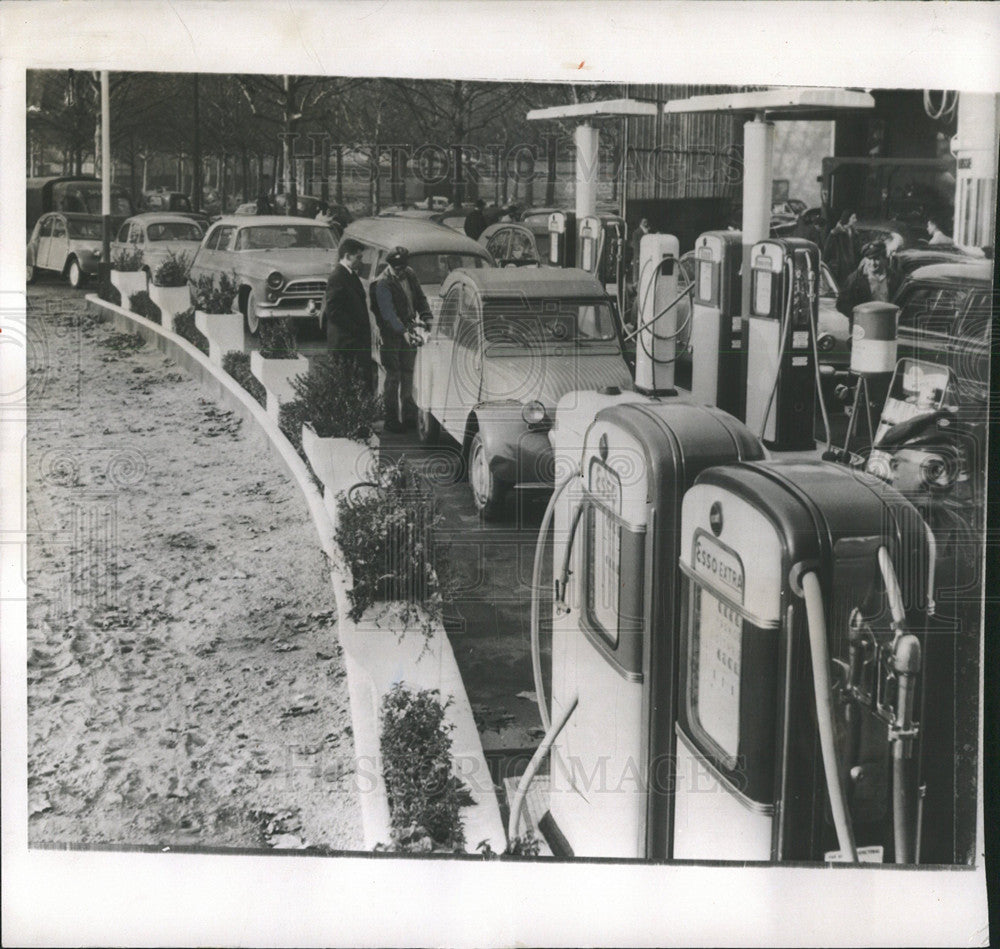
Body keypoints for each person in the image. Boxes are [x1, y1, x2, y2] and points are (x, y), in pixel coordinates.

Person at [370, 246, 431, 433]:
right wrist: (403, 332)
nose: (400, 271)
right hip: (391, 334)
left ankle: (409, 415)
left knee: (408, 373)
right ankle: (391, 418)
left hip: (408, 328)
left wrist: (427, 317)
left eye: (403, 267)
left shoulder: (410, 274)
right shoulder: (382, 283)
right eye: (397, 268)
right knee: (393, 375)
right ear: (390, 266)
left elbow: (419, 298)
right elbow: (388, 314)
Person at [321, 238, 374, 393]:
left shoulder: (350, 275)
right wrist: (356, 329)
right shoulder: (338, 276)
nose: (361, 261)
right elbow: (333, 311)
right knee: (346, 387)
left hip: (352, 342)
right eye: (358, 257)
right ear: (347, 255)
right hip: (345, 343)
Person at [836, 241, 902, 325]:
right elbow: (841, 304)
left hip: (888, 325)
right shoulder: (855, 279)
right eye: (869, 259)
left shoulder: (894, 278)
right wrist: (859, 315)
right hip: (864, 326)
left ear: (884, 259)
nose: (873, 263)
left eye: (877, 259)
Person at [822, 209, 860, 284]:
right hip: (839, 270)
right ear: (847, 219)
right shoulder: (835, 234)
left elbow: (857, 251)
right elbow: (826, 252)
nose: (855, 220)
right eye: (853, 218)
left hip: (852, 270)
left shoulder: (854, 234)